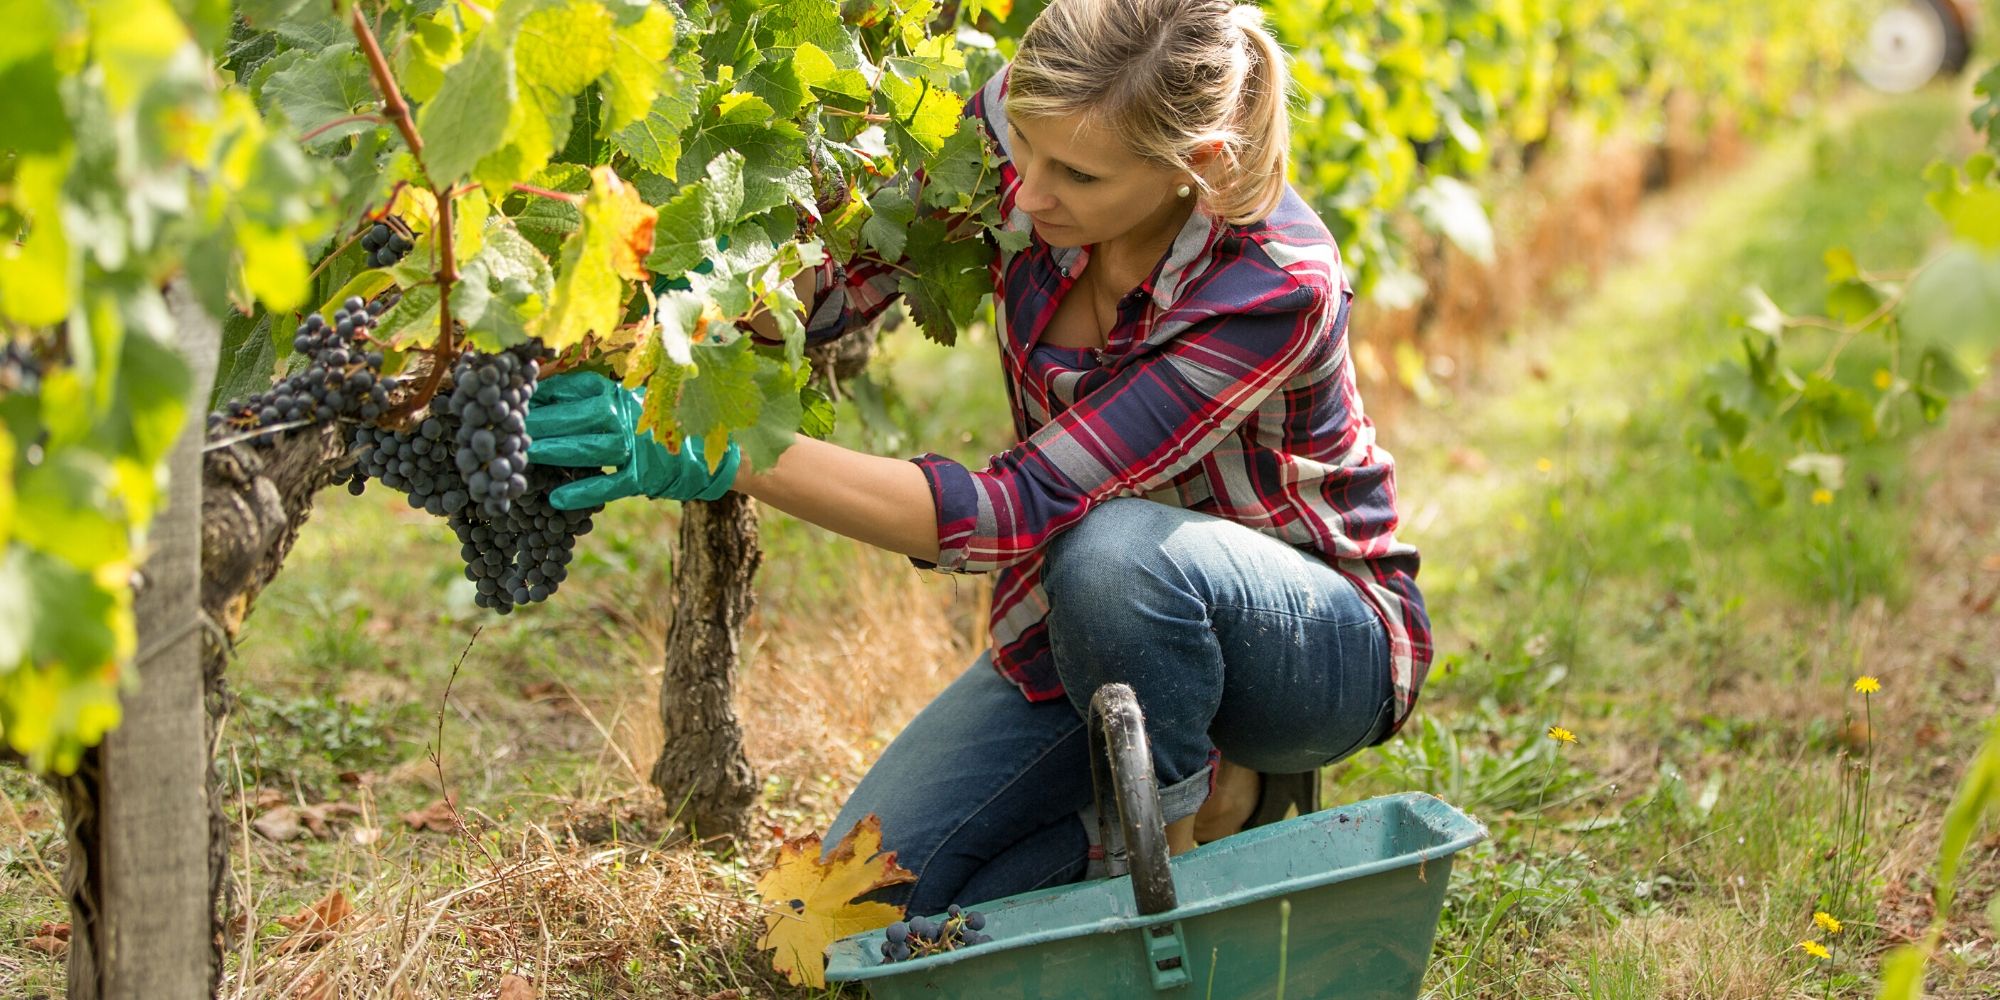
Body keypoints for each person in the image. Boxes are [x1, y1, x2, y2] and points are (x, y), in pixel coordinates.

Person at [525, 0, 1431, 917]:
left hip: (1308, 642)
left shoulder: (1270, 281)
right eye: (1024, 149)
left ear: (1194, 167)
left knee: (1114, 553)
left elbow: (1017, 513)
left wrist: (726, 449)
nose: (1027, 193)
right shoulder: (1033, 128)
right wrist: (690, 307)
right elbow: (841, 276)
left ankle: (1183, 830)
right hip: (1086, 632)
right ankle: (1148, 808)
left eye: (1074, 175)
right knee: (852, 913)